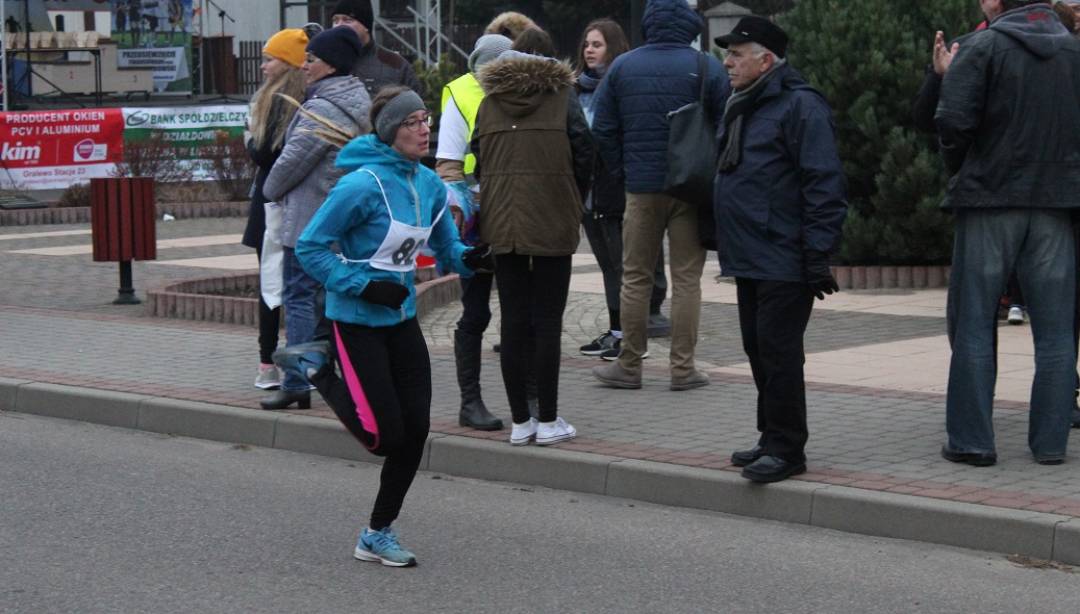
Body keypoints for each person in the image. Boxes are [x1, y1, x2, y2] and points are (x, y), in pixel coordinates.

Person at [275, 87, 494, 567]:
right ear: (391, 130)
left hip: (402, 321)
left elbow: (446, 247)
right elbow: (311, 247)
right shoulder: (360, 185)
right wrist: (362, 286)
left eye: (426, 119)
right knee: (383, 438)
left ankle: (376, 533)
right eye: (413, 122)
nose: (424, 129)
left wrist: (473, 259)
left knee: (415, 432)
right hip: (355, 323)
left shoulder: (429, 185)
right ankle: (316, 367)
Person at [936, 0, 1080, 466]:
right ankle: (1051, 444)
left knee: (975, 322)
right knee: (1057, 331)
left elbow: (952, 121)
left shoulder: (982, 47)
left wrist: (964, 170)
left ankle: (972, 441)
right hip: (1056, 202)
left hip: (990, 198)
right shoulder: (1073, 51)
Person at [714, 18, 847, 484]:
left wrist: (817, 254)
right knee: (758, 348)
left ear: (766, 60)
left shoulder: (800, 105)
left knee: (779, 353)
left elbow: (824, 182)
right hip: (751, 253)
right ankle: (770, 436)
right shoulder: (745, 103)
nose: (727, 63)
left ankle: (788, 449)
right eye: (728, 54)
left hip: (784, 255)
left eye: (736, 54)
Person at [590, 0, 729, 391]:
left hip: (641, 189)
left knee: (635, 278)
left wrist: (624, 170)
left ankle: (629, 365)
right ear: (688, 25)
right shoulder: (707, 66)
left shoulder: (623, 66)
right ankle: (683, 369)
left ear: (650, 24)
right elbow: (726, 126)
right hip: (691, 189)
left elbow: (602, 128)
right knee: (687, 280)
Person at [472, 48, 594, 446]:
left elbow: (478, 157)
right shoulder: (562, 99)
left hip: (502, 224)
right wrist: (572, 199)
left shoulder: (489, 104)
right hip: (552, 220)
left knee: (512, 321)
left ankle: (520, 422)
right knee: (547, 323)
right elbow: (586, 154)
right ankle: (549, 420)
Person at [260, 27, 371, 410]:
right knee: (336, 304)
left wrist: (269, 190)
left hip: (310, 223)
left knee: (300, 298)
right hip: (344, 223)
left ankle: (297, 381)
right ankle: (346, 380)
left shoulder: (322, 109)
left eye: (312, 59)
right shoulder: (359, 100)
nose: (304, 66)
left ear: (332, 65)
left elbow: (289, 165)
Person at [574, 18, 670, 361]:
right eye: (587, 44)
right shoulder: (575, 90)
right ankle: (616, 332)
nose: (589, 50)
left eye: (597, 44)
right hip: (587, 194)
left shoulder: (623, 87)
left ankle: (631, 337)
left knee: (624, 267)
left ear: (613, 47)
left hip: (616, 191)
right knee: (607, 266)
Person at [436, 34, 513, 431]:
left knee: (519, 310)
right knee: (476, 311)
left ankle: (529, 398)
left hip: (516, 210)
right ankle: (470, 401)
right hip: (477, 215)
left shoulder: (523, 89)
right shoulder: (460, 92)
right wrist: (461, 214)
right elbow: (448, 165)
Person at [242, 28, 308, 392]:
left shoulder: (277, 100)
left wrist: (250, 139)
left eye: (270, 59)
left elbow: (263, 153)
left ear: (287, 62)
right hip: (297, 202)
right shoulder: (306, 96)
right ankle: (307, 362)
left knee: (271, 285)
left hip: (272, 204)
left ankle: (267, 363)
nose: (263, 66)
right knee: (301, 289)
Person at [329, 0, 422, 97]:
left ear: (366, 26)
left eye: (347, 20)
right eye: (335, 20)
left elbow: (415, 104)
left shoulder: (395, 64)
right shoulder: (325, 63)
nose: (339, 26)